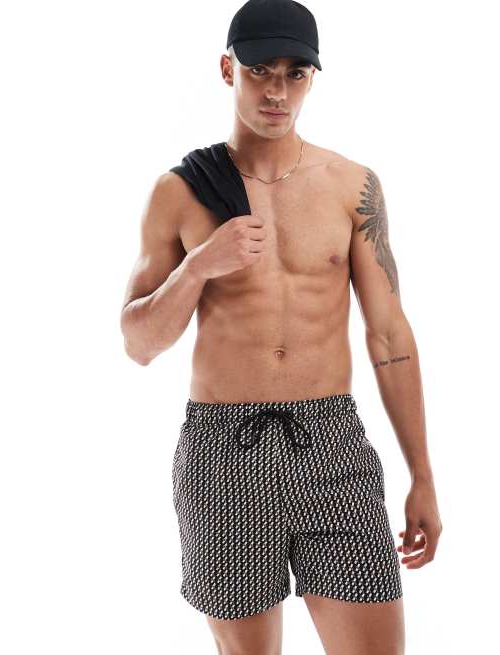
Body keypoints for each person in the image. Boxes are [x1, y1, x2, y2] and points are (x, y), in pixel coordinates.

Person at [120, 0, 443, 652]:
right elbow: (139, 344)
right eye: (259, 70)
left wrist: (422, 473)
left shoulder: (352, 186)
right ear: (227, 69)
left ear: (312, 77)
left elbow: (388, 334)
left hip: (332, 446)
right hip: (224, 451)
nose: (276, 91)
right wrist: (198, 267)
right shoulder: (181, 192)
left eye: (295, 73)